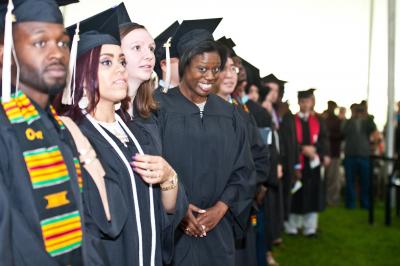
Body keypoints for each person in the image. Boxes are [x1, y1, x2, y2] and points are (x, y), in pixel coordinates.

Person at [56, 7, 187, 266]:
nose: (120, 70)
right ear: (81, 74)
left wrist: (169, 177)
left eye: (122, 61)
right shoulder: (73, 137)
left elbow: (169, 211)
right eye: (107, 62)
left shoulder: (139, 133)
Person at [0, 0, 108, 264]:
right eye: (40, 42)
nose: (56, 53)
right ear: (5, 52)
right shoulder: (5, 130)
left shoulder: (57, 127)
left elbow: (84, 224)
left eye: (62, 43)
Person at [154, 20, 254, 266]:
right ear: (185, 66)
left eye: (216, 69)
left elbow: (243, 170)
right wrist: (180, 210)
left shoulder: (230, 115)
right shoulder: (157, 109)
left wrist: (222, 207)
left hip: (217, 229)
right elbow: (151, 167)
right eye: (201, 69)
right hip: (173, 231)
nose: (210, 77)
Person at [215, 45, 270, 266]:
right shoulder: (200, 111)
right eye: (223, 68)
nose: (230, 75)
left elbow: (260, 156)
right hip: (211, 210)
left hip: (241, 205)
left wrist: (248, 188)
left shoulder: (242, 111)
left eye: (233, 68)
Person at [285, 90, 328, 237]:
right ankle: (292, 227)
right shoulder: (291, 120)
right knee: (296, 194)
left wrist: (315, 150)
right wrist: (303, 149)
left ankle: (310, 227)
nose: (305, 104)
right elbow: (288, 142)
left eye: (307, 101)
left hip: (313, 164)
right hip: (297, 163)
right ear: (298, 103)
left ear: (312, 102)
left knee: (312, 194)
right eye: (302, 101)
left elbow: (324, 140)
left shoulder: (318, 120)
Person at [342, 103, 377, 209]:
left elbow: (373, 128)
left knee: (365, 182)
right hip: (350, 155)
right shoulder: (348, 122)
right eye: (355, 110)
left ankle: (365, 204)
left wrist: (366, 114)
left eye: (359, 110)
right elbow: (343, 131)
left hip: (364, 156)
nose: (357, 112)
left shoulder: (366, 122)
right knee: (350, 181)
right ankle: (350, 204)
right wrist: (351, 118)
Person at [322, 101, 344, 206]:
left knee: (334, 178)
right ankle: (325, 198)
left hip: (334, 153)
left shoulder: (338, 121)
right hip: (324, 153)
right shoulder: (324, 119)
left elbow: (342, 135)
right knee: (325, 177)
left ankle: (333, 199)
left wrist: (328, 135)